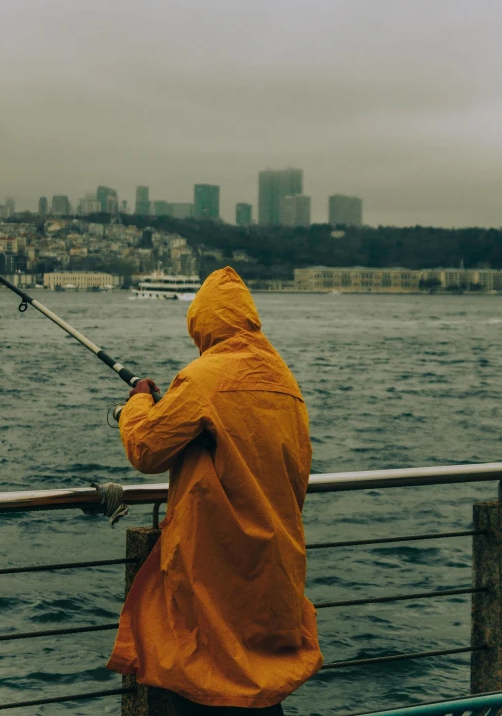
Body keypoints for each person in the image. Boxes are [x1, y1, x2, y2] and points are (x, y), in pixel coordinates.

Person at [107, 266, 323, 713]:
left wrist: (139, 401)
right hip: (274, 561)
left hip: (215, 565)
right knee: (258, 683)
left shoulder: (204, 377)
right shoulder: (286, 382)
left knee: (200, 677)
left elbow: (146, 449)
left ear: (202, 323)